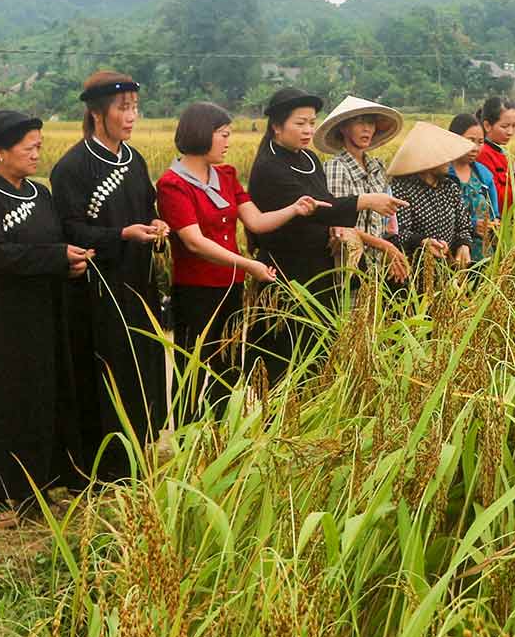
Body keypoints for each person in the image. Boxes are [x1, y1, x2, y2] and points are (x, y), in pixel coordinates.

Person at [0, 111, 88, 514]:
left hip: (41, 314)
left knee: (40, 399)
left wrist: (70, 262)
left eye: (38, 146)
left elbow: (53, 243)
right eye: (28, 147)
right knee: (1, 402)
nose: (36, 154)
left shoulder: (41, 194)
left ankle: (37, 488)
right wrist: (55, 257)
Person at [156, 103, 326, 415]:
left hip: (230, 288)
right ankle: (186, 441)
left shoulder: (226, 175)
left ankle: (221, 438)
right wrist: (248, 265)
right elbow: (194, 242)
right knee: (192, 369)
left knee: (229, 367)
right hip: (197, 291)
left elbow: (256, 222)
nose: (228, 142)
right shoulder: (172, 184)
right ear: (202, 135)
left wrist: (294, 209)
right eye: (223, 135)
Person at [50, 70, 169, 480]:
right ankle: (103, 467)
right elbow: (71, 229)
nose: (132, 116)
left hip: (139, 281)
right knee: (106, 372)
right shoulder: (72, 167)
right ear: (97, 114)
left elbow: (146, 207)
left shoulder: (134, 161)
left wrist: (156, 225)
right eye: (124, 108)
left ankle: (139, 451)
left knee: (142, 365)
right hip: (99, 290)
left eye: (135, 107)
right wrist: (120, 233)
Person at [246, 89, 409, 375]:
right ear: (276, 126)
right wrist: (366, 200)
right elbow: (317, 208)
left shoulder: (309, 159)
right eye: (300, 123)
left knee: (318, 354)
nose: (308, 130)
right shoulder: (268, 167)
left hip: (320, 271)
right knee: (285, 357)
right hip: (286, 274)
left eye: (312, 122)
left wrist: (339, 226)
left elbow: (328, 208)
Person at [385, 122, 480, 283]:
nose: (449, 160)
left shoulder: (450, 187)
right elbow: (398, 233)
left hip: (447, 273)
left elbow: (463, 227)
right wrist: (422, 242)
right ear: (426, 158)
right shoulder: (402, 189)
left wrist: (463, 245)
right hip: (412, 274)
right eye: (442, 156)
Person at [318, 96, 404, 273]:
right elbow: (339, 227)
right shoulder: (336, 168)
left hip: (377, 266)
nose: (367, 128)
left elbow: (382, 224)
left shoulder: (377, 168)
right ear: (343, 128)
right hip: (350, 267)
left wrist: (388, 247)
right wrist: (385, 246)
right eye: (359, 122)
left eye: (371, 123)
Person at [447, 113, 501, 260]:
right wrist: (472, 225)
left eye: (481, 142)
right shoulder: (442, 173)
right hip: (451, 253)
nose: (476, 147)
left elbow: (495, 212)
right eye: (470, 140)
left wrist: (494, 223)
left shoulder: (484, 175)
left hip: (483, 254)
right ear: (454, 138)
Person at [476, 96, 515, 215]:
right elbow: (499, 200)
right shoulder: (482, 153)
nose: (510, 132)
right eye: (504, 126)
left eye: (514, 126)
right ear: (487, 125)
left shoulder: (500, 152)